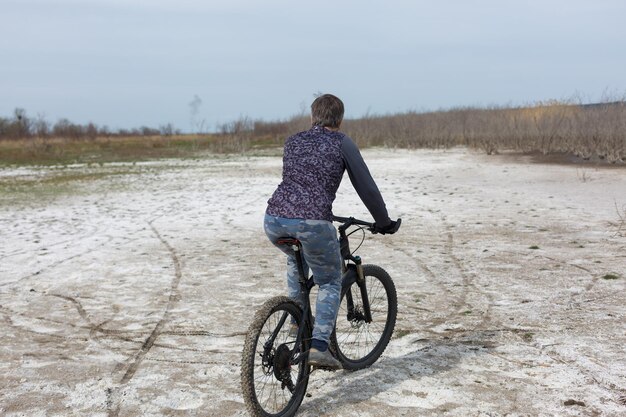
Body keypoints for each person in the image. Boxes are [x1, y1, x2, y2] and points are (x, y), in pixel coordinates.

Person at [264, 94, 398, 369]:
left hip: (274, 219)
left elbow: (299, 182)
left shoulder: (293, 141)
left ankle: (295, 320)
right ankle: (319, 347)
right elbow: (366, 187)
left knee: (295, 259)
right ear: (340, 118)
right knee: (330, 281)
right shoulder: (342, 143)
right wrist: (382, 221)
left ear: (313, 116)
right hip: (312, 222)